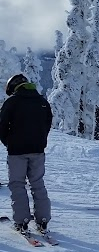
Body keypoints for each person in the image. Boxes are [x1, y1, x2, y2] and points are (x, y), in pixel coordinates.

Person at [0, 73, 53, 234]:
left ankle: (22, 221)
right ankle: (43, 220)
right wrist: (40, 140)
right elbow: (47, 124)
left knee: (17, 185)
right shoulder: (42, 102)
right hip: (38, 150)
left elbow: (1, 126)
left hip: (17, 152)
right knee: (38, 184)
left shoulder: (12, 102)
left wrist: (9, 143)